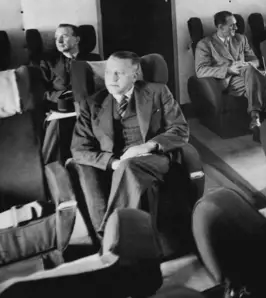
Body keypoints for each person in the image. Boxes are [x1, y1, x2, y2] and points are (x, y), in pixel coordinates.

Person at [71, 51, 189, 236]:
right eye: (109, 72)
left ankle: (110, 234)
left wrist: (147, 146)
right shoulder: (92, 103)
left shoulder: (158, 91)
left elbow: (180, 130)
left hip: (155, 159)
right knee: (125, 166)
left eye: (120, 73)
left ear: (135, 76)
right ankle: (125, 235)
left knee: (129, 166)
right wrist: (113, 163)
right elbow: (79, 149)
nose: (112, 78)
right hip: (117, 163)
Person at [194, 11, 266, 131]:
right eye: (232, 25)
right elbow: (201, 70)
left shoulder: (241, 39)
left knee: (252, 72)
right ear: (220, 27)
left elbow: (255, 60)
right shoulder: (205, 44)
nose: (236, 27)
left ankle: (255, 117)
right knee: (265, 82)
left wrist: (248, 64)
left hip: (247, 75)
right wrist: (228, 70)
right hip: (227, 80)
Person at [40, 23, 101, 164]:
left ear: (77, 40)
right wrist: (66, 95)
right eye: (56, 38)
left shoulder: (94, 59)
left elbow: (100, 87)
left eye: (64, 36)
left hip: (89, 108)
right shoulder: (48, 63)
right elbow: (43, 93)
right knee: (56, 132)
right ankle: (56, 166)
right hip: (61, 110)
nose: (59, 41)